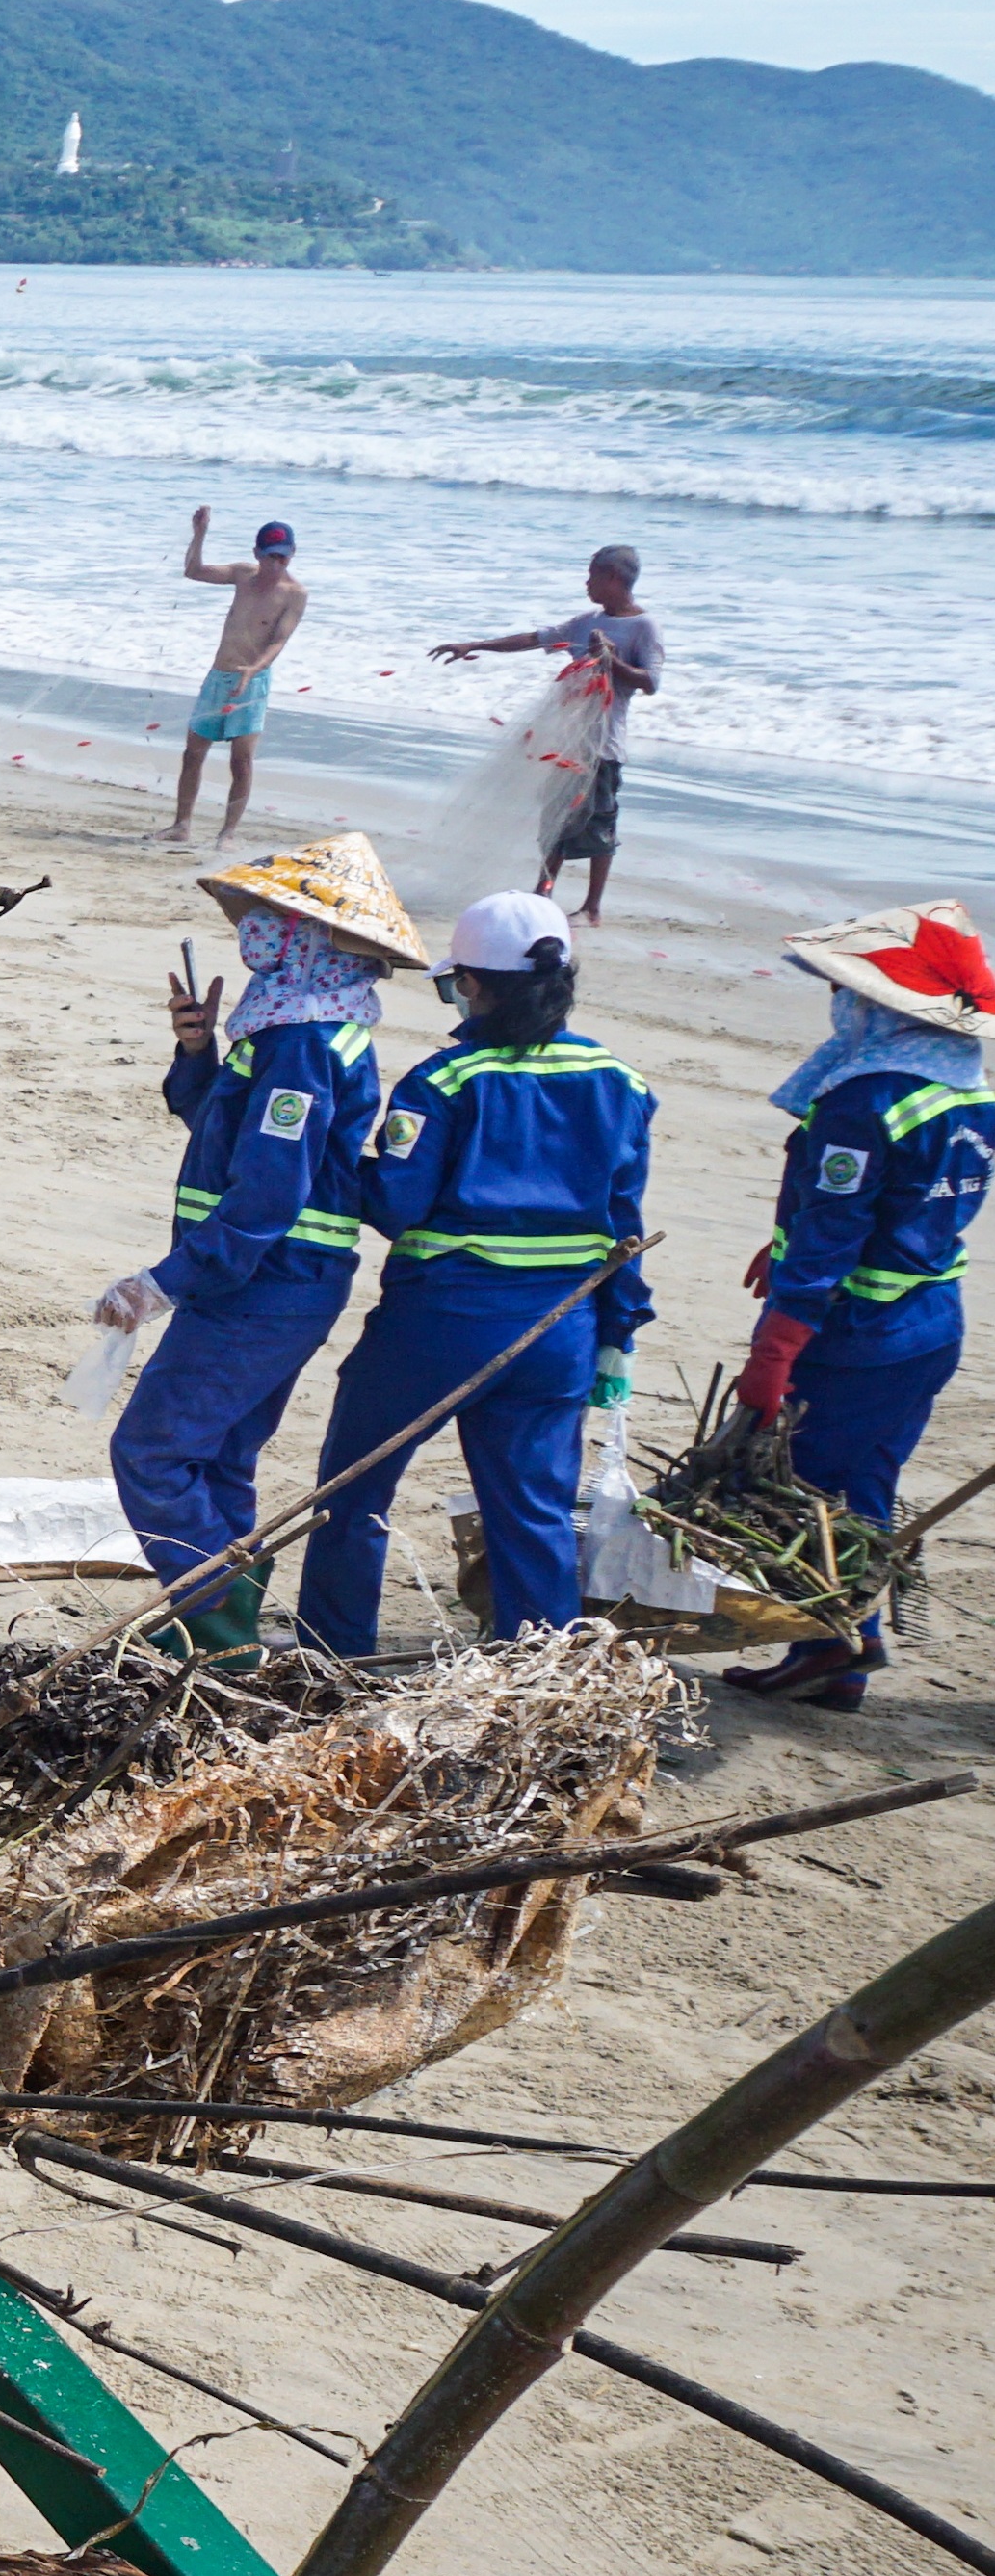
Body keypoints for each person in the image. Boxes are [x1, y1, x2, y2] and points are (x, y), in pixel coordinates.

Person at [292, 890, 653, 1658]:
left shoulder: (443, 1083)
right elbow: (625, 1223)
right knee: (533, 1509)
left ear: (475, 985)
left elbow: (397, 1204)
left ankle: (336, 1651)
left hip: (440, 1324)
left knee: (354, 1490)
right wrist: (618, 1334)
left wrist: (336, 1158)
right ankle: (540, 1670)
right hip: (560, 1328)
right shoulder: (620, 1079)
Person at [92, 832, 417, 1662]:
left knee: (152, 1449)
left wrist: (164, 1283)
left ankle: (218, 1620)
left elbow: (268, 1192)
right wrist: (198, 1052)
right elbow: (221, 1130)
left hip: (265, 1281)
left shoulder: (306, 1043)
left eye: (276, 919)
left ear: (317, 939)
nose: (257, 933)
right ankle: (220, 1617)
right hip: (278, 1280)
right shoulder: (292, 1027)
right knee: (223, 1457)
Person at [721, 900, 994, 1711]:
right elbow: (910, 1207)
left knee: (804, 1486)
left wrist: (774, 1350)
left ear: (876, 1006)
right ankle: (836, 1652)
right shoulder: (964, 1093)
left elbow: (836, 1235)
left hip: (855, 1330)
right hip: (932, 1318)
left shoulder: (862, 1101)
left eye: (848, 994)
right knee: (864, 1480)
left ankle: (842, 1638)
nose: (839, 1007)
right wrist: (789, 1237)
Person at [432, 548, 660, 924]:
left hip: (603, 744)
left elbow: (650, 682)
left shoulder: (644, 627)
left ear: (614, 579)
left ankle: (592, 906)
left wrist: (610, 660)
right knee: (554, 818)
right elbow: (535, 639)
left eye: (592, 576)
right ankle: (543, 892)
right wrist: (473, 646)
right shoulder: (587, 621)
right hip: (568, 742)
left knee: (601, 823)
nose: (586, 583)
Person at [168, 511, 305, 845]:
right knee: (193, 752)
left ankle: (228, 833)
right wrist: (199, 533)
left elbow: (279, 640)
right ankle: (181, 826)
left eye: (282, 558)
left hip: (252, 683)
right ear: (257, 554)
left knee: (241, 761)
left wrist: (253, 669)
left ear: (291, 555)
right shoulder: (244, 575)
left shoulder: (294, 594)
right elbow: (193, 571)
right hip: (219, 675)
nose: (276, 565)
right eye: (270, 557)